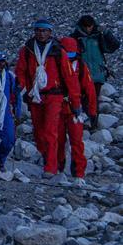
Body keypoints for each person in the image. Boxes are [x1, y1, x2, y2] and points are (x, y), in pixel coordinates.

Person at [15, 19, 83, 177]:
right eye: (38, 30)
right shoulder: (27, 50)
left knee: (50, 131)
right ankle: (47, 157)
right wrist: (19, 87)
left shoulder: (58, 51)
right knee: (39, 133)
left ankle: (50, 168)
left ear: (50, 32)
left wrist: (76, 102)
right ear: (34, 31)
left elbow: (70, 78)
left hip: (55, 95)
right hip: (36, 96)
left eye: (44, 30)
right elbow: (21, 71)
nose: (41, 33)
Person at [56, 36, 98, 182]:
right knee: (58, 140)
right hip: (58, 108)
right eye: (67, 55)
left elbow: (90, 89)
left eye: (72, 56)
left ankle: (79, 172)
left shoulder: (80, 66)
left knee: (76, 142)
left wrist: (92, 112)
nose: (70, 59)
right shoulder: (54, 63)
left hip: (75, 110)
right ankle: (58, 168)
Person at [71, 15, 119, 120]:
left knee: (93, 100)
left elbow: (115, 45)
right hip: (82, 75)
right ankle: (83, 121)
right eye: (87, 26)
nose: (89, 29)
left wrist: (106, 32)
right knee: (83, 99)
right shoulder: (74, 38)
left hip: (97, 74)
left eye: (91, 26)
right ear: (81, 26)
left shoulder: (98, 36)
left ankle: (93, 123)